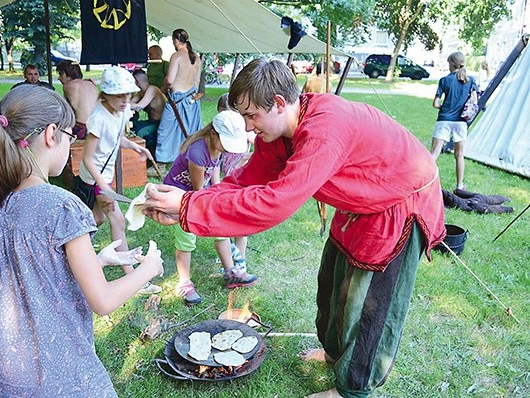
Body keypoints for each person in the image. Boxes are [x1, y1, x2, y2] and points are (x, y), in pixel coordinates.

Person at [143, 58, 445, 398]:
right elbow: (246, 181)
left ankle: (352, 390)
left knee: (369, 304)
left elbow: (276, 202)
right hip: (360, 201)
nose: (246, 127)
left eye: (251, 116)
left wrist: (188, 207)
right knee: (333, 284)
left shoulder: (325, 129)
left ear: (278, 103)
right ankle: (333, 354)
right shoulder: (277, 132)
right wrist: (187, 203)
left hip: (398, 205)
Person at [0, 85, 164, 396]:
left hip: (0, 381)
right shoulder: (61, 206)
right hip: (58, 380)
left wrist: (97, 260)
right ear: (52, 134)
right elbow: (102, 301)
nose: (71, 143)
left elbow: (30, 272)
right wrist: (150, 269)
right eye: (70, 135)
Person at [79, 65, 162, 294]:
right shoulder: (98, 118)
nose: (126, 99)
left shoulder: (121, 111)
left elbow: (117, 139)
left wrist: (136, 148)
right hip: (94, 180)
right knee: (117, 221)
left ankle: (74, 254)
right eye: (119, 95)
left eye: (128, 94)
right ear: (105, 94)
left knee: (94, 221)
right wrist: (103, 186)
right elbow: (87, 158)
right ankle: (133, 278)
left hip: (103, 179)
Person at [164, 110, 258, 305]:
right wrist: (211, 203)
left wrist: (218, 194)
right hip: (180, 195)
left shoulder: (217, 147)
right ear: (213, 134)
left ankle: (231, 273)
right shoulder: (197, 151)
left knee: (220, 227)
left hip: (200, 191)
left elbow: (213, 172)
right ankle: (184, 282)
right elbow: (198, 190)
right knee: (186, 235)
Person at [216, 93, 255, 266]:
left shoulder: (242, 133)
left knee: (241, 223)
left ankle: (241, 258)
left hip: (242, 182)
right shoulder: (220, 136)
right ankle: (228, 252)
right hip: (228, 182)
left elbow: (261, 145)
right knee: (228, 220)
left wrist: (247, 157)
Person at [429, 52, 478, 191]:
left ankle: (423, 182)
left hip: (444, 119)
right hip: (461, 122)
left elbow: (435, 103)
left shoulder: (444, 80)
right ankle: (459, 186)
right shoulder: (471, 80)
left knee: (434, 153)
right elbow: (474, 101)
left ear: (451, 63)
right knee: (459, 155)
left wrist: (445, 106)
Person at [155, 28, 202, 165]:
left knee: (165, 130)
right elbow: (196, 82)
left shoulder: (177, 56)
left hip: (177, 99)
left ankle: (162, 162)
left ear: (175, 40)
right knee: (189, 130)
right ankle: (188, 157)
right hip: (191, 99)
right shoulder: (197, 58)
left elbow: (170, 80)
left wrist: (163, 88)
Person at [130, 68, 167, 167]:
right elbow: (131, 103)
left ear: (137, 81)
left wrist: (123, 104)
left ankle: (142, 159)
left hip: (160, 124)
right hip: (151, 122)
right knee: (132, 127)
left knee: (138, 132)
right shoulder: (141, 92)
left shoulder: (152, 89)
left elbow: (139, 107)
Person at [56, 60, 100, 140]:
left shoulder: (68, 86)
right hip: (99, 126)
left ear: (67, 73)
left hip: (82, 128)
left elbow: (66, 112)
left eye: (60, 74)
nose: (59, 78)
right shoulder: (91, 84)